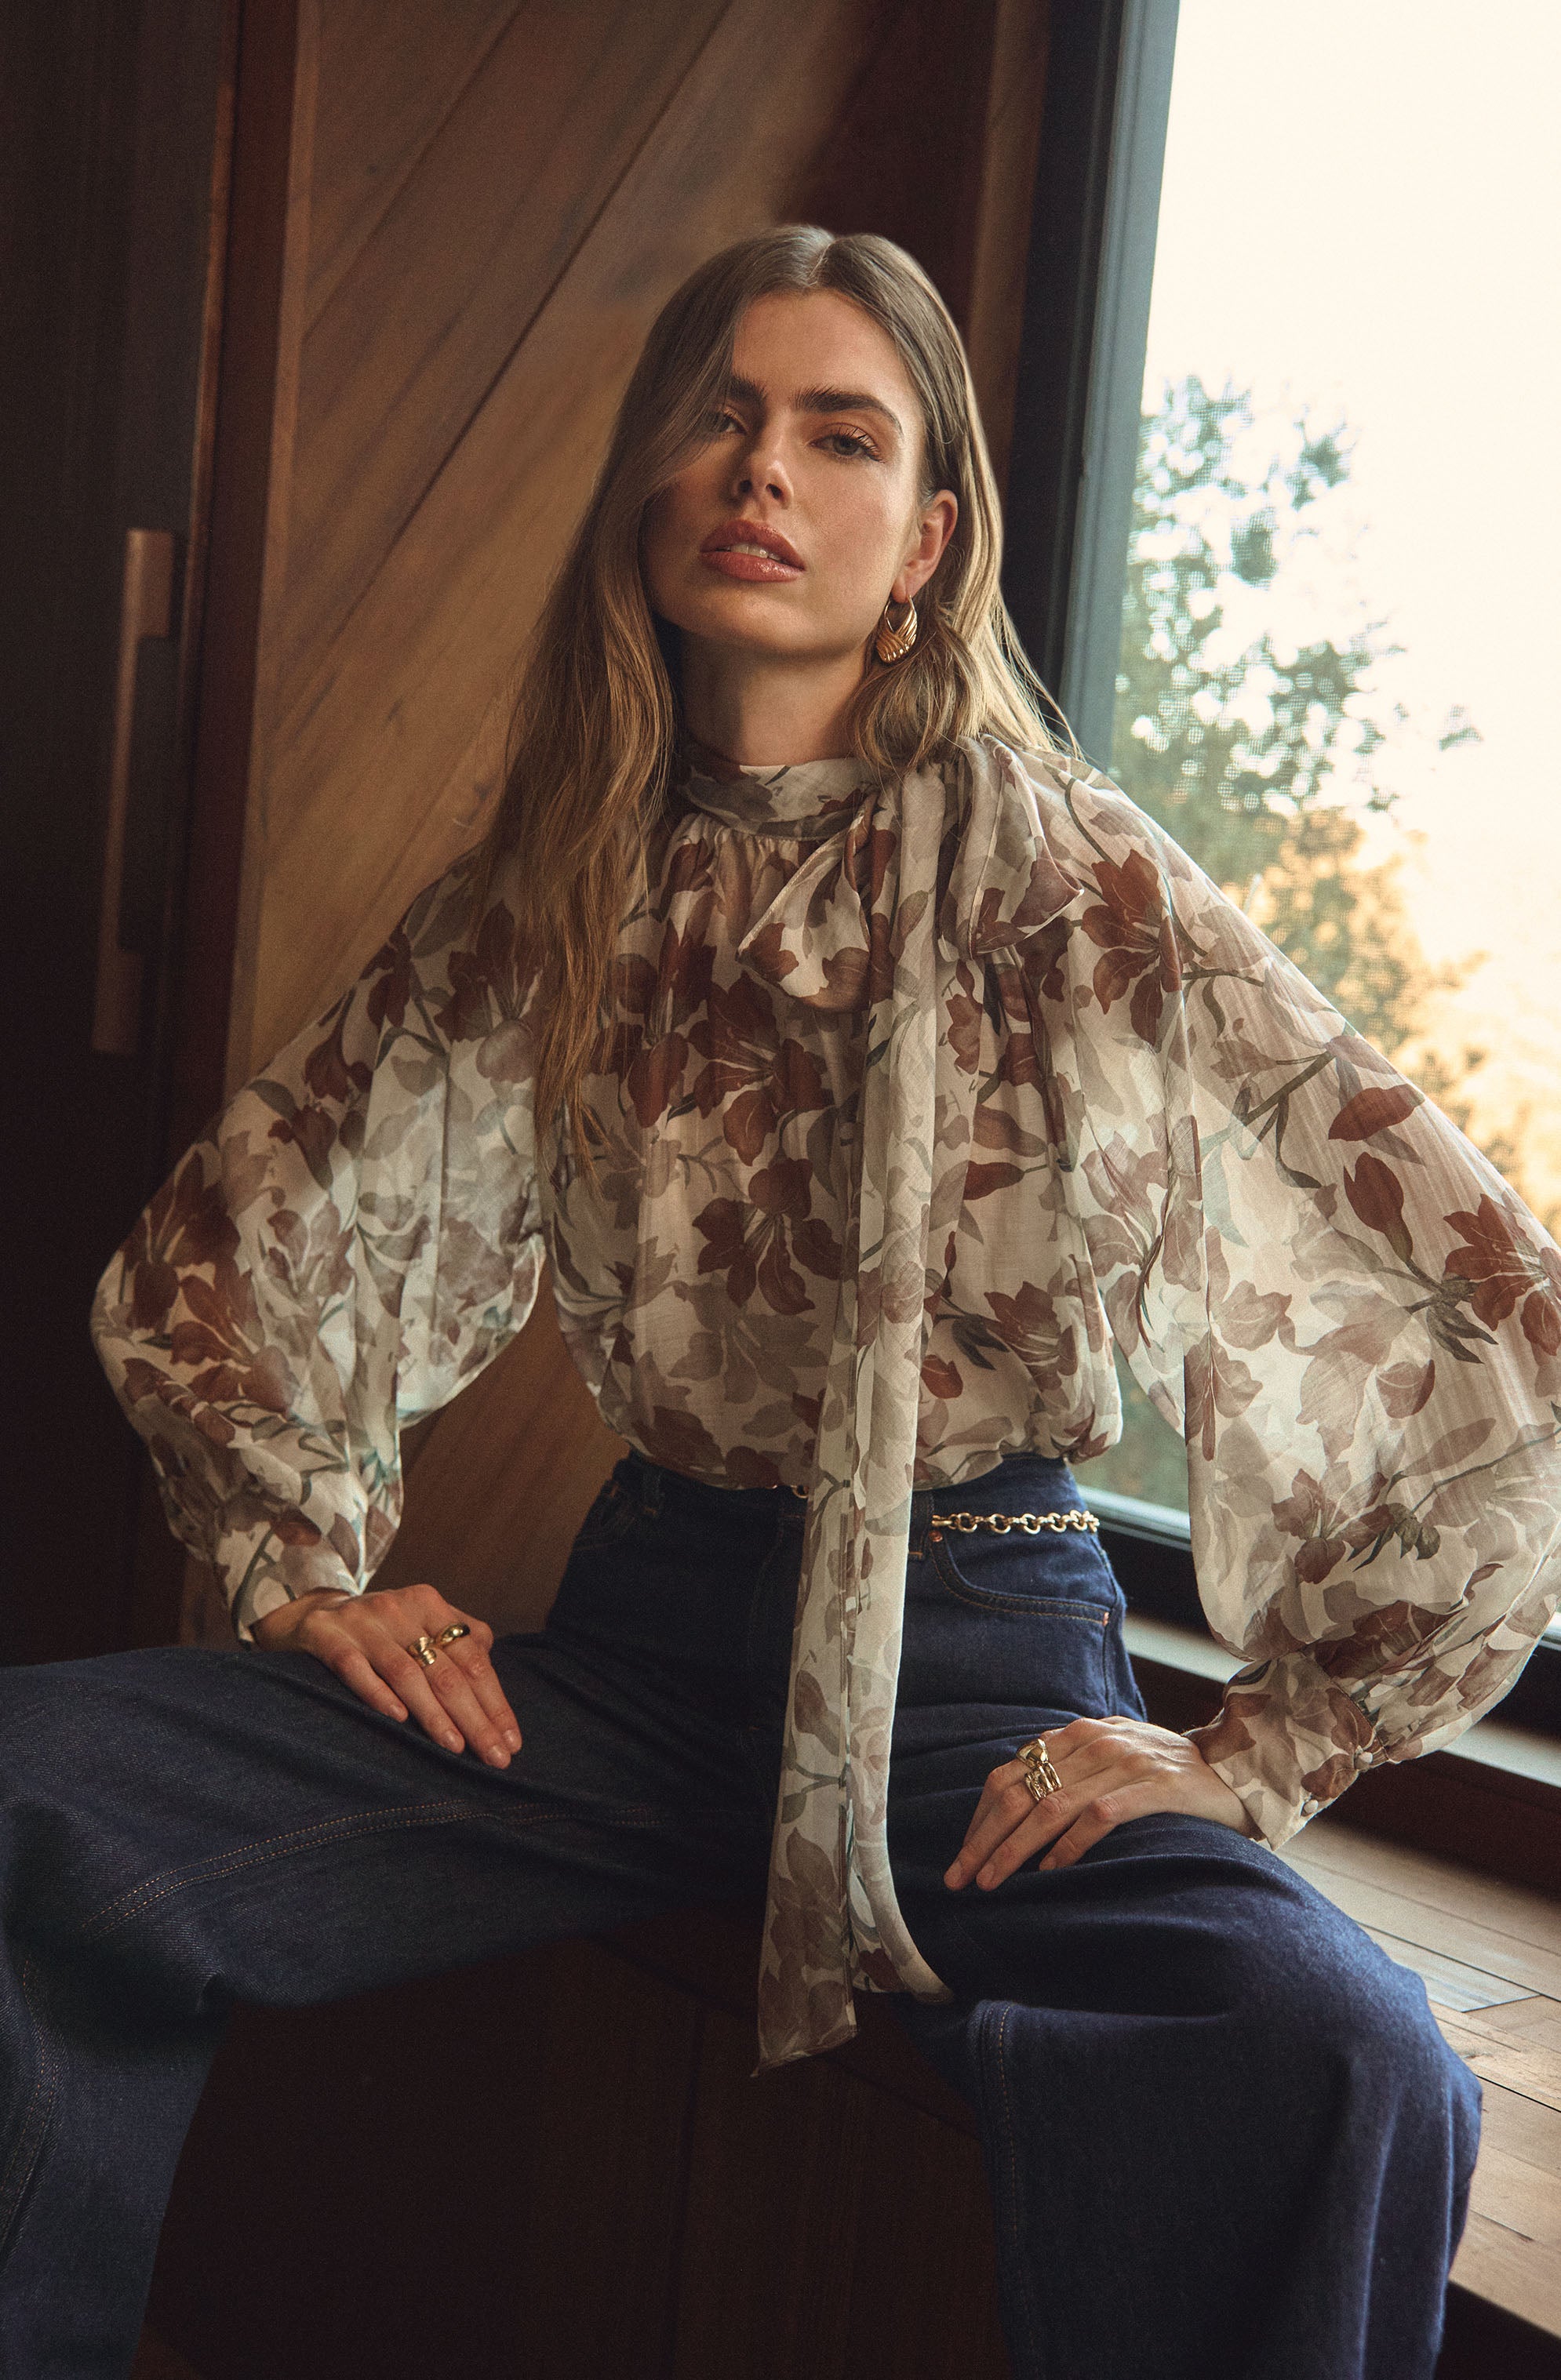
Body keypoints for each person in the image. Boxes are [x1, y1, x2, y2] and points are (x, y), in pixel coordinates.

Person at [6, 225, 1557, 2378]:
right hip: (643, 1657)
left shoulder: (1076, 879)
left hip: (987, 1672)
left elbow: (1497, 1307)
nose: (767, 470)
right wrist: (298, 1572)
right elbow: (237, 1239)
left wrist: (1260, 1744)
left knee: (1338, 2049)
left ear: (923, 541)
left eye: (840, 434)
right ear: (651, 489)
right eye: (722, 417)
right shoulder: (555, 875)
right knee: (35, 1789)